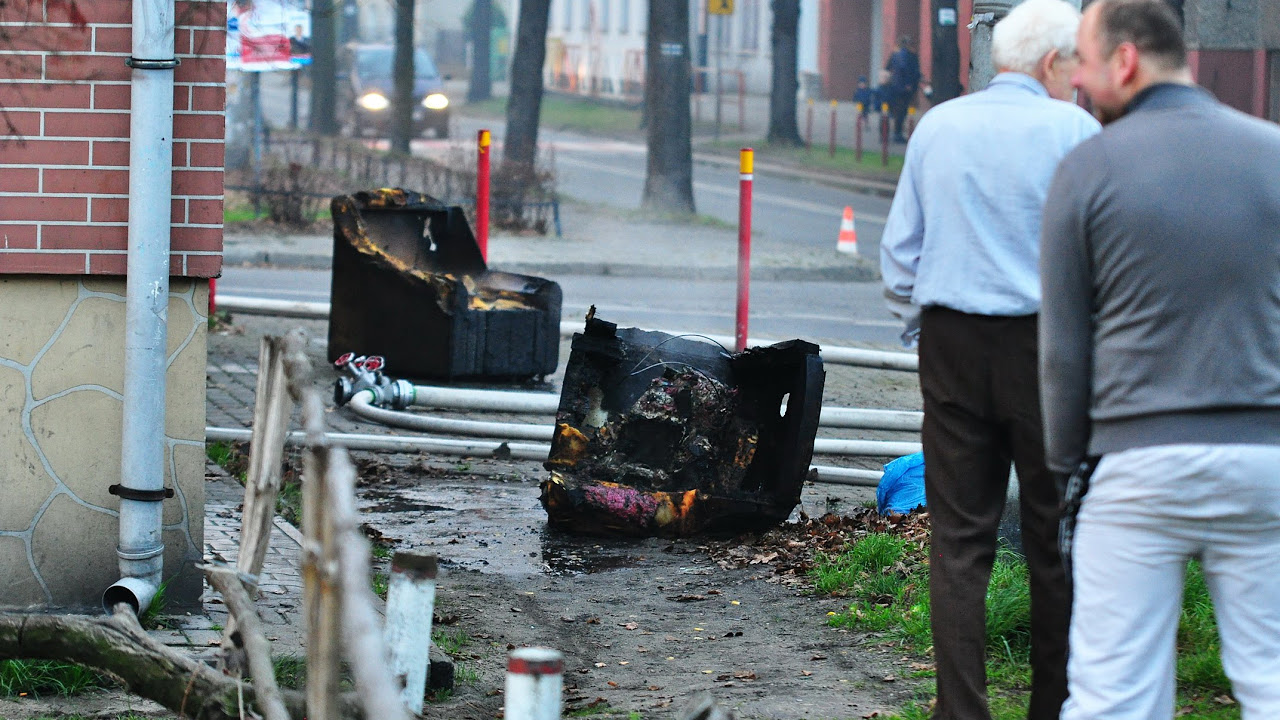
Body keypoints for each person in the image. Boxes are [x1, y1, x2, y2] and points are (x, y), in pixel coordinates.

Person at [1039, 0, 1280, 717]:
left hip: (1137, 460)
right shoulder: (1272, 153)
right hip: (1264, 459)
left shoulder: (1087, 169)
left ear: (1126, 60)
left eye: (1085, 61)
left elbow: (1063, 350)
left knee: (1115, 692)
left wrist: (1066, 468)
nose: (1079, 80)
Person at [878, 0, 1101, 717]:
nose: (1078, 80)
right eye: (1074, 67)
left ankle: (962, 711)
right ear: (1049, 64)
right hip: (1046, 348)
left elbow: (899, 253)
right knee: (1052, 533)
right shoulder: (1075, 130)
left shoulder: (938, 126)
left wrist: (925, 325)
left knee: (960, 540)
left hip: (951, 341)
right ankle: (1052, 707)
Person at [884, 36, 920, 142]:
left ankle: (895, 132)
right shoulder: (909, 55)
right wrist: (909, 83)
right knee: (902, 110)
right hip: (905, 87)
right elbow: (907, 69)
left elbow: (887, 68)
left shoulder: (895, 54)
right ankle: (898, 134)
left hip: (895, 86)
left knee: (897, 110)